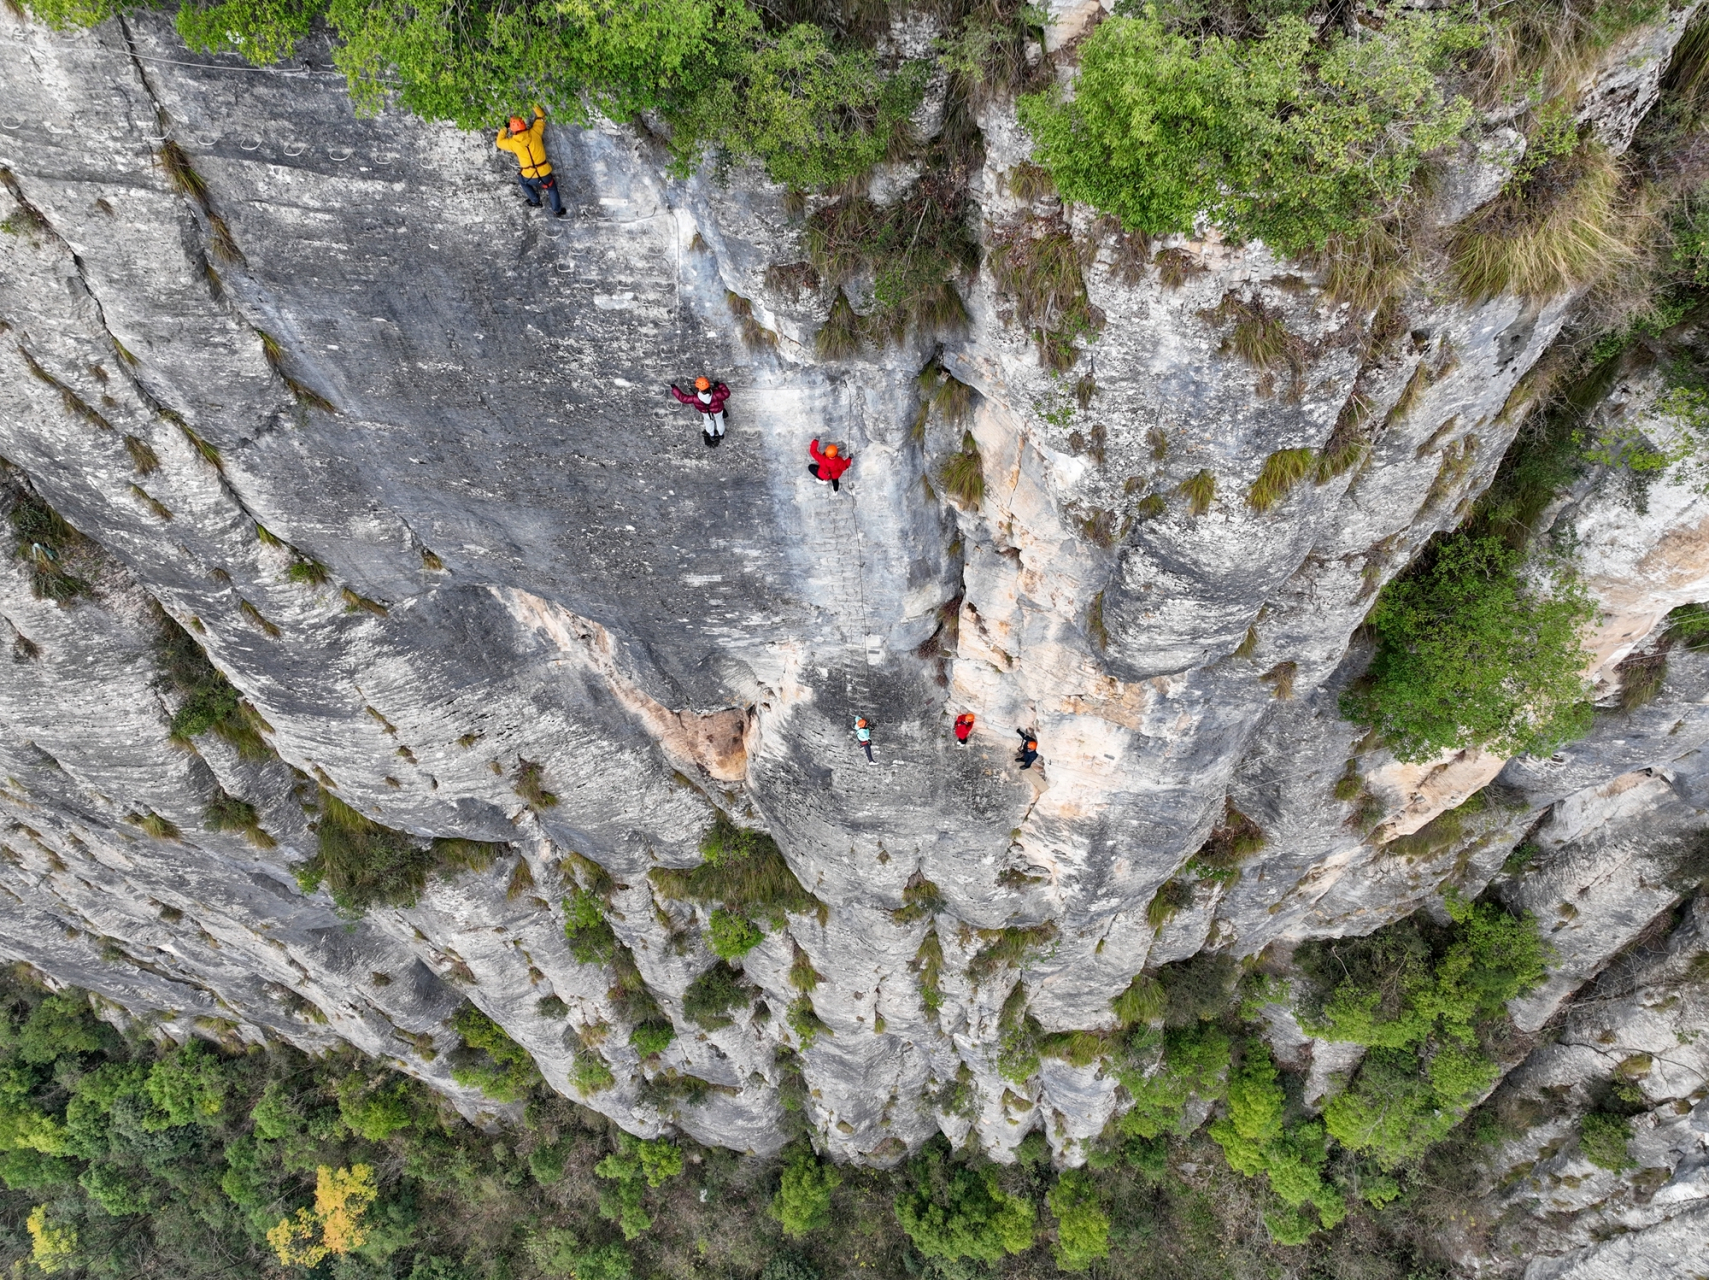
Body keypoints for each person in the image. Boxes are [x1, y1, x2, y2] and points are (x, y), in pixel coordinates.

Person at [496, 106, 565, 217]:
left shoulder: (512, 143)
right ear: (524, 124)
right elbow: (541, 116)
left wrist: (505, 128)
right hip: (544, 174)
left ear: (513, 129)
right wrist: (532, 104)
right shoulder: (535, 132)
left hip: (529, 177)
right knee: (552, 188)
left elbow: (499, 142)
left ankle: (535, 201)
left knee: (521, 180)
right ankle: (557, 211)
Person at [670, 377, 731, 446]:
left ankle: (712, 435)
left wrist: (674, 388)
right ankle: (721, 434)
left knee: (708, 423)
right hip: (718, 411)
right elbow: (726, 394)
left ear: (699, 388)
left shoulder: (695, 398)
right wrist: (719, 385)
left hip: (706, 413)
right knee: (720, 421)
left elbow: (683, 398)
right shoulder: (716, 394)